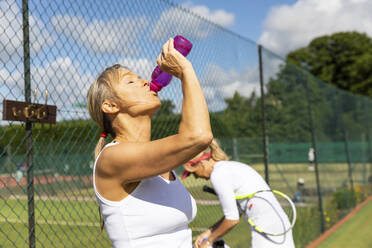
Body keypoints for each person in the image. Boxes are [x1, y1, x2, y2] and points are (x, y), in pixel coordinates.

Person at [86, 38, 213, 248]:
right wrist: (185, 70)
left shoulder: (159, 161)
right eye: (131, 81)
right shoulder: (112, 158)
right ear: (110, 105)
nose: (145, 81)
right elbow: (198, 136)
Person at [182, 139, 295, 248]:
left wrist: (209, 242)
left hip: (267, 228)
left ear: (202, 162)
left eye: (193, 172)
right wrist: (208, 233)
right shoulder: (230, 167)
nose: (196, 177)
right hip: (277, 224)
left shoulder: (218, 175)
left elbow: (232, 219)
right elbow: (237, 212)